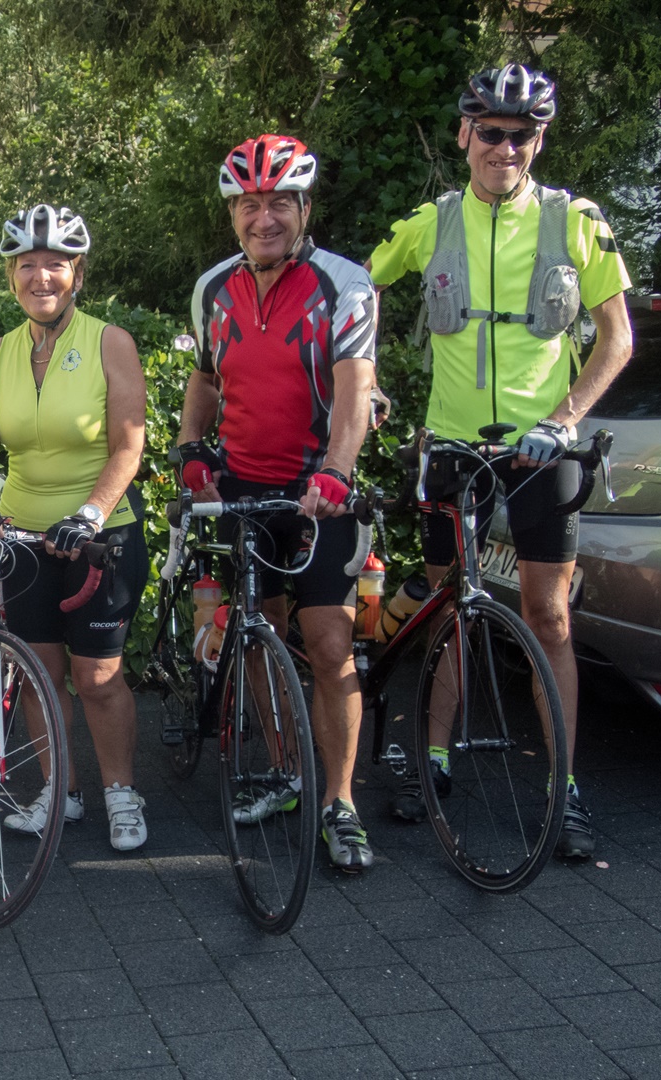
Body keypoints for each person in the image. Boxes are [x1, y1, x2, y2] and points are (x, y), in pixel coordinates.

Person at [367, 64, 633, 858]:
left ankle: (564, 786)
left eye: (522, 135)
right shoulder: (432, 221)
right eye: (491, 132)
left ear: (538, 140)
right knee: (451, 607)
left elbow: (618, 339)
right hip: (452, 448)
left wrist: (563, 420)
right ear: (465, 135)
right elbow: (358, 286)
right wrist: (367, 378)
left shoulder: (575, 220)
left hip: (542, 450)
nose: (505, 148)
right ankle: (434, 758)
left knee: (549, 617)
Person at [178, 135, 379, 872]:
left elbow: (355, 391)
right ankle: (289, 773)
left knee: (328, 643)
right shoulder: (213, 288)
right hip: (243, 490)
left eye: (280, 203)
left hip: (319, 492)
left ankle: (341, 802)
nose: (265, 218)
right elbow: (206, 377)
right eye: (250, 204)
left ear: (305, 207)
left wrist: (337, 470)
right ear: (233, 214)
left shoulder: (343, 284)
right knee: (255, 631)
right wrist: (191, 446)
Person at [0, 204, 152, 852]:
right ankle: (59, 790)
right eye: (27, 265)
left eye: (55, 264)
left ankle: (121, 792)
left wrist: (90, 513)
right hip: (23, 537)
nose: (40, 276)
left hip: (100, 536)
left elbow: (129, 444)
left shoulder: (109, 342)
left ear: (77, 274)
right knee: (38, 675)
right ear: (11, 276)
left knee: (97, 677)